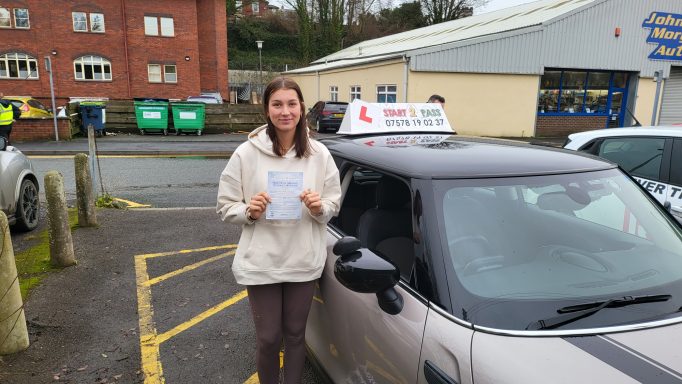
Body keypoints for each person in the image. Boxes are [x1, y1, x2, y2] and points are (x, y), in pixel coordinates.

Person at [216, 77, 341, 384]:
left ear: (301, 108)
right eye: (277, 104)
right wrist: (249, 211)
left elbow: (333, 202)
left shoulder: (319, 154)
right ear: (267, 110)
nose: (285, 111)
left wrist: (318, 208)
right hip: (262, 260)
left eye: (291, 104)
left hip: (303, 258)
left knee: (297, 335)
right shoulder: (246, 153)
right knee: (270, 338)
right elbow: (224, 205)